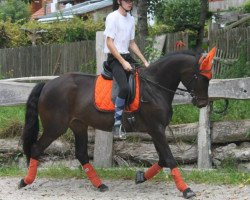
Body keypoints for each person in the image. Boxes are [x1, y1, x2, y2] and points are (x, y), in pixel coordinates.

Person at [104, 0, 149, 139]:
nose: (131, 3)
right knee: (124, 88)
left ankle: (136, 114)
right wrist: (122, 62)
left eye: (132, 1)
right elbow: (109, 43)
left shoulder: (131, 19)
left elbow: (132, 43)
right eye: (127, 1)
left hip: (126, 55)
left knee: (145, 77)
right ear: (119, 2)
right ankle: (117, 123)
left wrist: (144, 61)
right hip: (114, 58)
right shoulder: (112, 17)